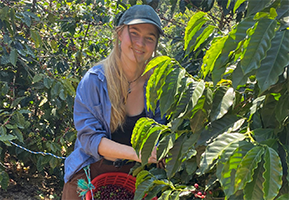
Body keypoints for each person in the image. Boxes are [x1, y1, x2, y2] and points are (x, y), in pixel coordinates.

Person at [61, 4, 166, 200]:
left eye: (149, 38)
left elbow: (162, 129)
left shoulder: (157, 85)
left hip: (134, 173)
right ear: (119, 34)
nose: (140, 43)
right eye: (134, 33)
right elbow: (90, 140)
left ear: (155, 45)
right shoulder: (95, 81)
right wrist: (139, 153)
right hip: (93, 167)